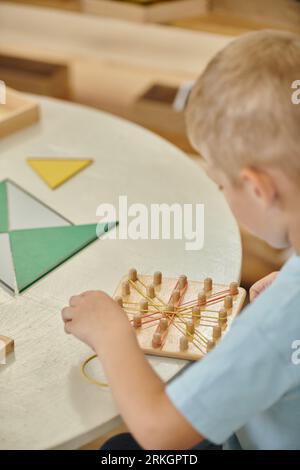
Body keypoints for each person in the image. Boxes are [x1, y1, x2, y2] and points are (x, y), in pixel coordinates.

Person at [61, 30, 300, 450]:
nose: (223, 195)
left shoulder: (281, 321)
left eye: (221, 184)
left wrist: (111, 333)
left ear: (259, 188)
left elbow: (161, 433)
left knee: (120, 454)